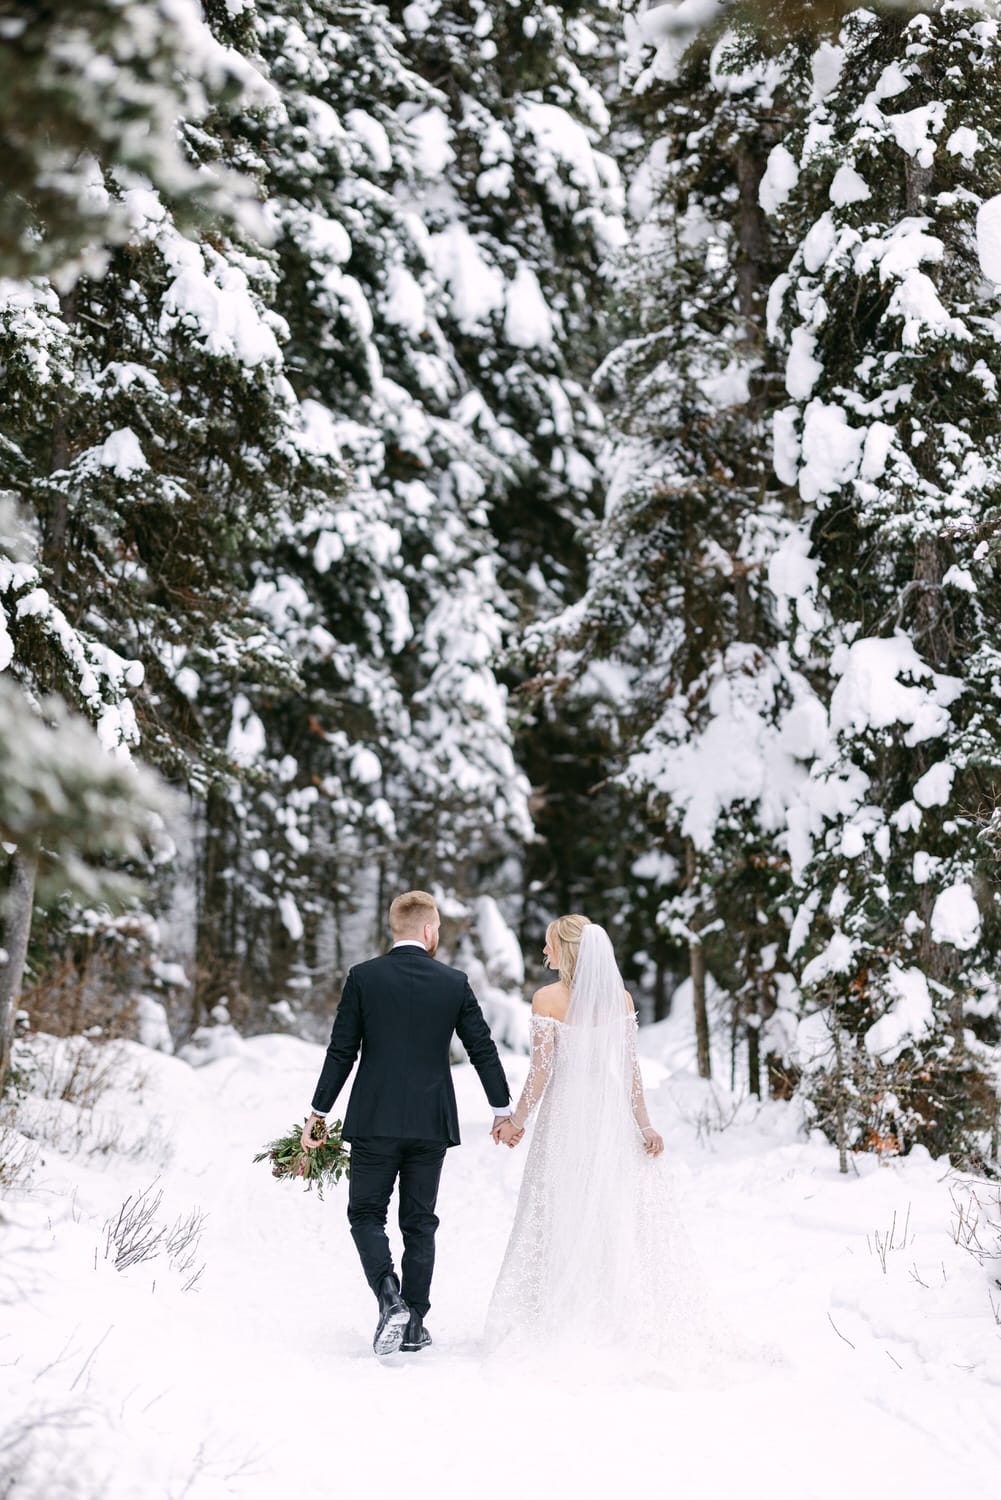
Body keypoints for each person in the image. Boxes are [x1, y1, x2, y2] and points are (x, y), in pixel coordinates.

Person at [301, 890, 513, 1357]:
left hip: (374, 1119)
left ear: (395, 929)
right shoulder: (453, 982)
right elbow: (482, 1048)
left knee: (365, 1215)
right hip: (430, 1122)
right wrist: (502, 1110)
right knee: (420, 1223)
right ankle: (414, 1320)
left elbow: (342, 1051)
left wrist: (318, 1114)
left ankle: (388, 1296)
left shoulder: (363, 978)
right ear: (430, 930)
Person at [487, 914, 705, 1367]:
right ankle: (606, 1309)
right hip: (606, 1115)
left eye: (549, 945)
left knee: (561, 1205)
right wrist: (644, 1126)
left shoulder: (546, 999)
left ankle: (564, 1310)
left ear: (566, 950)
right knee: (606, 1207)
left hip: (566, 1114)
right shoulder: (620, 1000)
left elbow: (542, 1073)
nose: (544, 953)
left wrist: (517, 1122)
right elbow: (631, 1074)